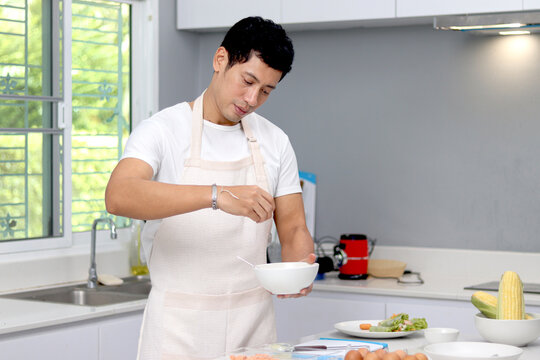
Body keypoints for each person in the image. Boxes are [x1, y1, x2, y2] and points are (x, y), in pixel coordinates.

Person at [105, 16, 315, 360]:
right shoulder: (162, 130)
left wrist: (299, 269)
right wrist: (216, 195)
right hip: (177, 331)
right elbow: (119, 195)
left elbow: (293, 228)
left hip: (254, 330)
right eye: (247, 81)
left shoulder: (275, 141)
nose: (252, 98)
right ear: (220, 60)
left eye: (266, 91)